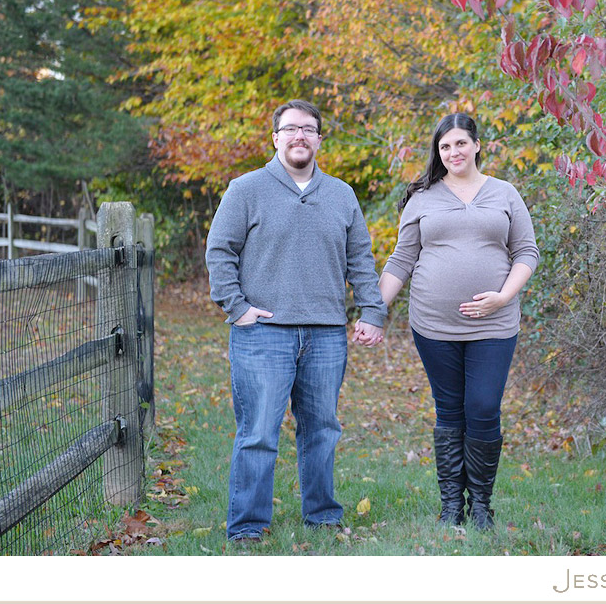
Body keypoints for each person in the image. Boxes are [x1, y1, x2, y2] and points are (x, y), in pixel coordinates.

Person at [206, 99, 386, 544]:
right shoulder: (246, 189)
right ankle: (247, 525)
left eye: (309, 129)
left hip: (326, 333)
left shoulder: (341, 194)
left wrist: (373, 310)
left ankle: (322, 516)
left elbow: (360, 260)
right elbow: (219, 252)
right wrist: (237, 307)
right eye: (290, 129)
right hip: (263, 332)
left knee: (322, 429)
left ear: (320, 139)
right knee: (259, 433)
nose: (299, 136)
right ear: (275, 138)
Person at [378, 112, 539, 529]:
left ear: (477, 145)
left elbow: (526, 252)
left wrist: (502, 297)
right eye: (445, 146)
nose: (453, 152)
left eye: (461, 143)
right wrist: (374, 311)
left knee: (483, 407)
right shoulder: (423, 198)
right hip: (433, 324)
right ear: (439, 152)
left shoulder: (505, 193)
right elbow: (402, 259)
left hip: (495, 324)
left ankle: (481, 505)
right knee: (449, 410)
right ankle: (452, 504)